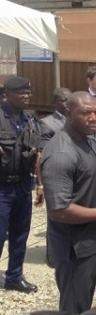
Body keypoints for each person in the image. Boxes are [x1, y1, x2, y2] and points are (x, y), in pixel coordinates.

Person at [42, 92, 96, 314]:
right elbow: (59, 210)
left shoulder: (89, 141)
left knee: (84, 301)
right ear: (68, 113)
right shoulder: (61, 153)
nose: (93, 118)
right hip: (74, 248)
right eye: (86, 112)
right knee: (74, 307)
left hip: (92, 240)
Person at [0, 76, 42, 294]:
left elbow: (38, 154)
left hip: (24, 186)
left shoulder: (31, 120)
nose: (26, 96)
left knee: (20, 235)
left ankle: (14, 277)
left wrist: (40, 186)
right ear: (7, 94)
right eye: (20, 93)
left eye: (28, 93)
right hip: (2, 188)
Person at [39, 87, 72, 269]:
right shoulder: (47, 124)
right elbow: (43, 154)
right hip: (56, 176)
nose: (67, 103)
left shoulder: (76, 119)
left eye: (69, 99)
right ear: (55, 103)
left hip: (74, 174)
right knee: (56, 216)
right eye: (63, 100)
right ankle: (53, 254)